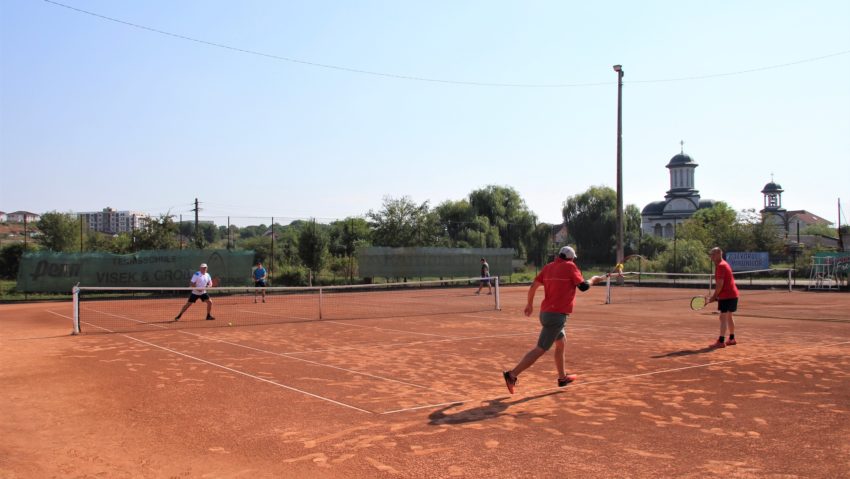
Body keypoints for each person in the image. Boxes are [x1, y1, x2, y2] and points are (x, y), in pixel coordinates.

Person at [502, 246, 599, 394]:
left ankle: (562, 378)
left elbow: (533, 286)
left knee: (560, 343)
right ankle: (512, 375)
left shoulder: (548, 267)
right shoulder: (570, 266)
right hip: (556, 316)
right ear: (571, 258)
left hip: (546, 313)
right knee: (541, 348)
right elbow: (583, 287)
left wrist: (529, 304)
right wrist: (593, 280)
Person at [707, 247, 739, 348]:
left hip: (727, 295)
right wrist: (716, 297)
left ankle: (721, 341)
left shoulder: (721, 266)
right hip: (733, 295)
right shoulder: (724, 264)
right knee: (729, 316)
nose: (711, 257)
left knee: (723, 317)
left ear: (717, 254)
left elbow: (720, 285)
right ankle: (732, 338)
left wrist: (714, 297)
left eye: (712, 254)